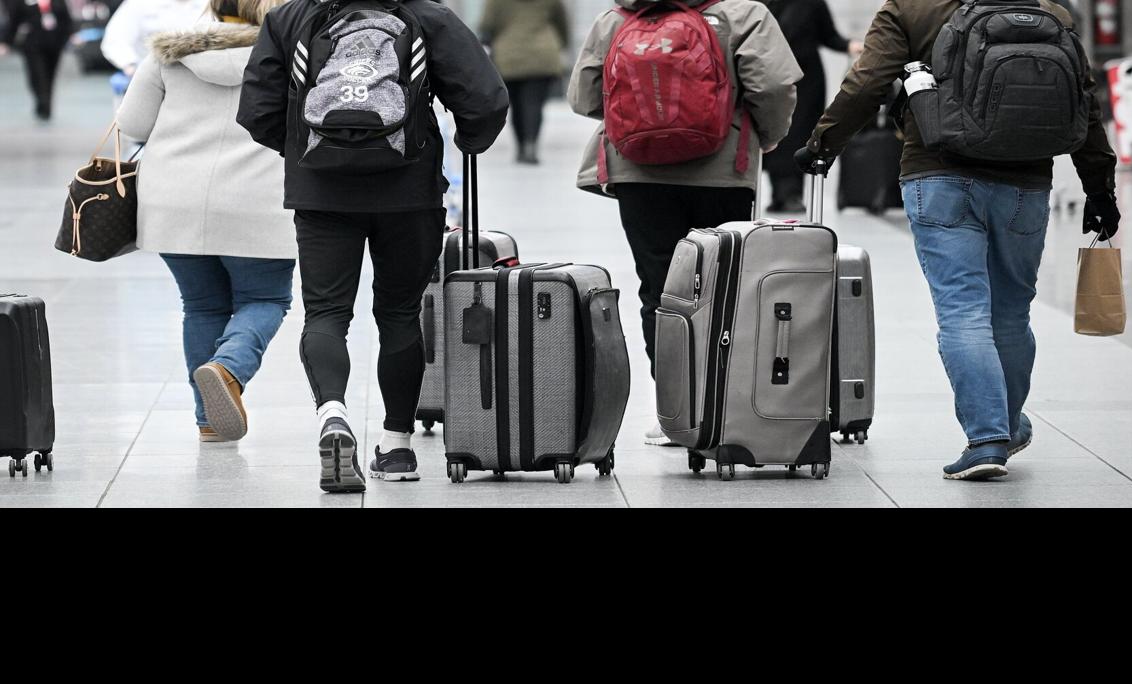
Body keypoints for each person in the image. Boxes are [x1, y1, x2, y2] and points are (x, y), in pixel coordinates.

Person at [801, 0, 1120, 481]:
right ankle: (1005, 426)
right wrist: (1100, 189)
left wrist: (824, 143)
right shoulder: (1050, 11)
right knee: (1011, 313)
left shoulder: (910, 8)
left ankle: (987, 437)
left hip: (939, 176)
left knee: (962, 309)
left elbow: (867, 82)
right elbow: (1084, 101)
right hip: (1025, 183)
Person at [238, 0, 508, 493]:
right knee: (401, 313)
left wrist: (309, 149)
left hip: (321, 194)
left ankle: (332, 414)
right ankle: (398, 445)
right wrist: (465, 141)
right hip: (409, 191)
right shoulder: (426, 15)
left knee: (325, 314)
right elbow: (485, 99)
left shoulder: (291, 18)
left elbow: (256, 109)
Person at [566, 0, 800, 447]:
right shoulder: (743, 13)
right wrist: (762, 136)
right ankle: (721, 407)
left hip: (638, 172)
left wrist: (644, 120)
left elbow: (583, 96)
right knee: (725, 288)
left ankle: (674, 411)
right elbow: (773, 86)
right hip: (723, 171)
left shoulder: (618, 17)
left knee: (660, 289)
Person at [116, 0, 296, 443]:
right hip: (260, 199)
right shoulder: (297, 54)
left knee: (201, 306)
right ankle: (227, 368)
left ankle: (210, 421)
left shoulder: (170, 52)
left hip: (174, 200)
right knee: (266, 299)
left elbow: (132, 123)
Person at [759, 0, 859, 214]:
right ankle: (781, 194)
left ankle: (789, 194)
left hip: (805, 82)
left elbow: (828, 35)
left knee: (797, 135)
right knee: (774, 133)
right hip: (771, 78)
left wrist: (849, 45)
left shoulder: (811, 3)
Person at [479, 0, 566, 166]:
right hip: (542, 56)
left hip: (508, 57)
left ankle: (521, 147)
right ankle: (530, 145)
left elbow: (487, 25)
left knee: (516, 105)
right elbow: (562, 23)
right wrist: (562, 44)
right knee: (534, 104)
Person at [0, 0, 74, 121]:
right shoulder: (23, 2)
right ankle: (42, 101)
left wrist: (71, 35)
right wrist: (5, 42)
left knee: (50, 75)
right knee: (37, 75)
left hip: (54, 44)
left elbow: (66, 19)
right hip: (32, 45)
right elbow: (14, 22)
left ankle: (47, 104)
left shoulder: (58, 2)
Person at [102, 0, 211, 77]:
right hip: (150, 77)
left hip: (201, 77)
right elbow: (115, 39)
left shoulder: (212, 3)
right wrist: (130, 65)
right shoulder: (139, 4)